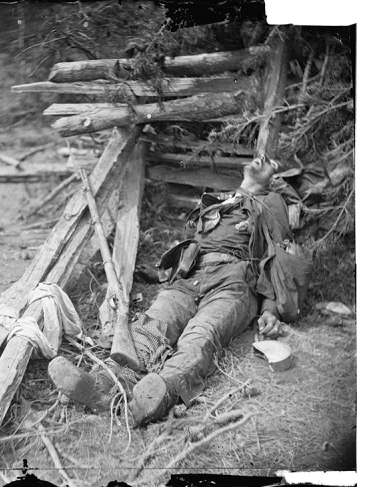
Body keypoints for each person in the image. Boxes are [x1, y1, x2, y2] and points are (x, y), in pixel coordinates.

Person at [48, 154, 296, 427]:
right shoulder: (220, 201)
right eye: (258, 156)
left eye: (270, 160)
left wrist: (270, 309)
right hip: (188, 277)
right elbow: (193, 246)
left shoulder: (271, 203)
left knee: (200, 335)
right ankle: (100, 385)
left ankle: (156, 395)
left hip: (234, 282)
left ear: (274, 178)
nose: (260, 158)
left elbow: (279, 259)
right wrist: (161, 274)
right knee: (151, 326)